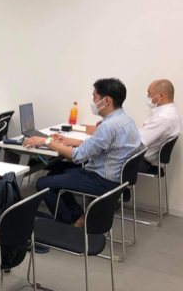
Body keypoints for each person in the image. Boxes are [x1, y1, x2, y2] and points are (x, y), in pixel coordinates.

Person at [24, 78, 141, 225]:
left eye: (95, 97)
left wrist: (46, 142)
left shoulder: (108, 126)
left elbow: (78, 156)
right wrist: (68, 141)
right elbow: (99, 144)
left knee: (43, 183)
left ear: (106, 101)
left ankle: (66, 224)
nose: (93, 101)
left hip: (102, 180)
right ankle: (76, 217)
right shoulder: (125, 119)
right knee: (56, 173)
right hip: (116, 179)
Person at [138, 79, 180, 172]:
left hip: (139, 161)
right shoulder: (171, 111)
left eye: (149, 93)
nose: (147, 96)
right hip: (143, 157)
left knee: (105, 158)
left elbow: (136, 143)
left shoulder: (162, 119)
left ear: (161, 95)